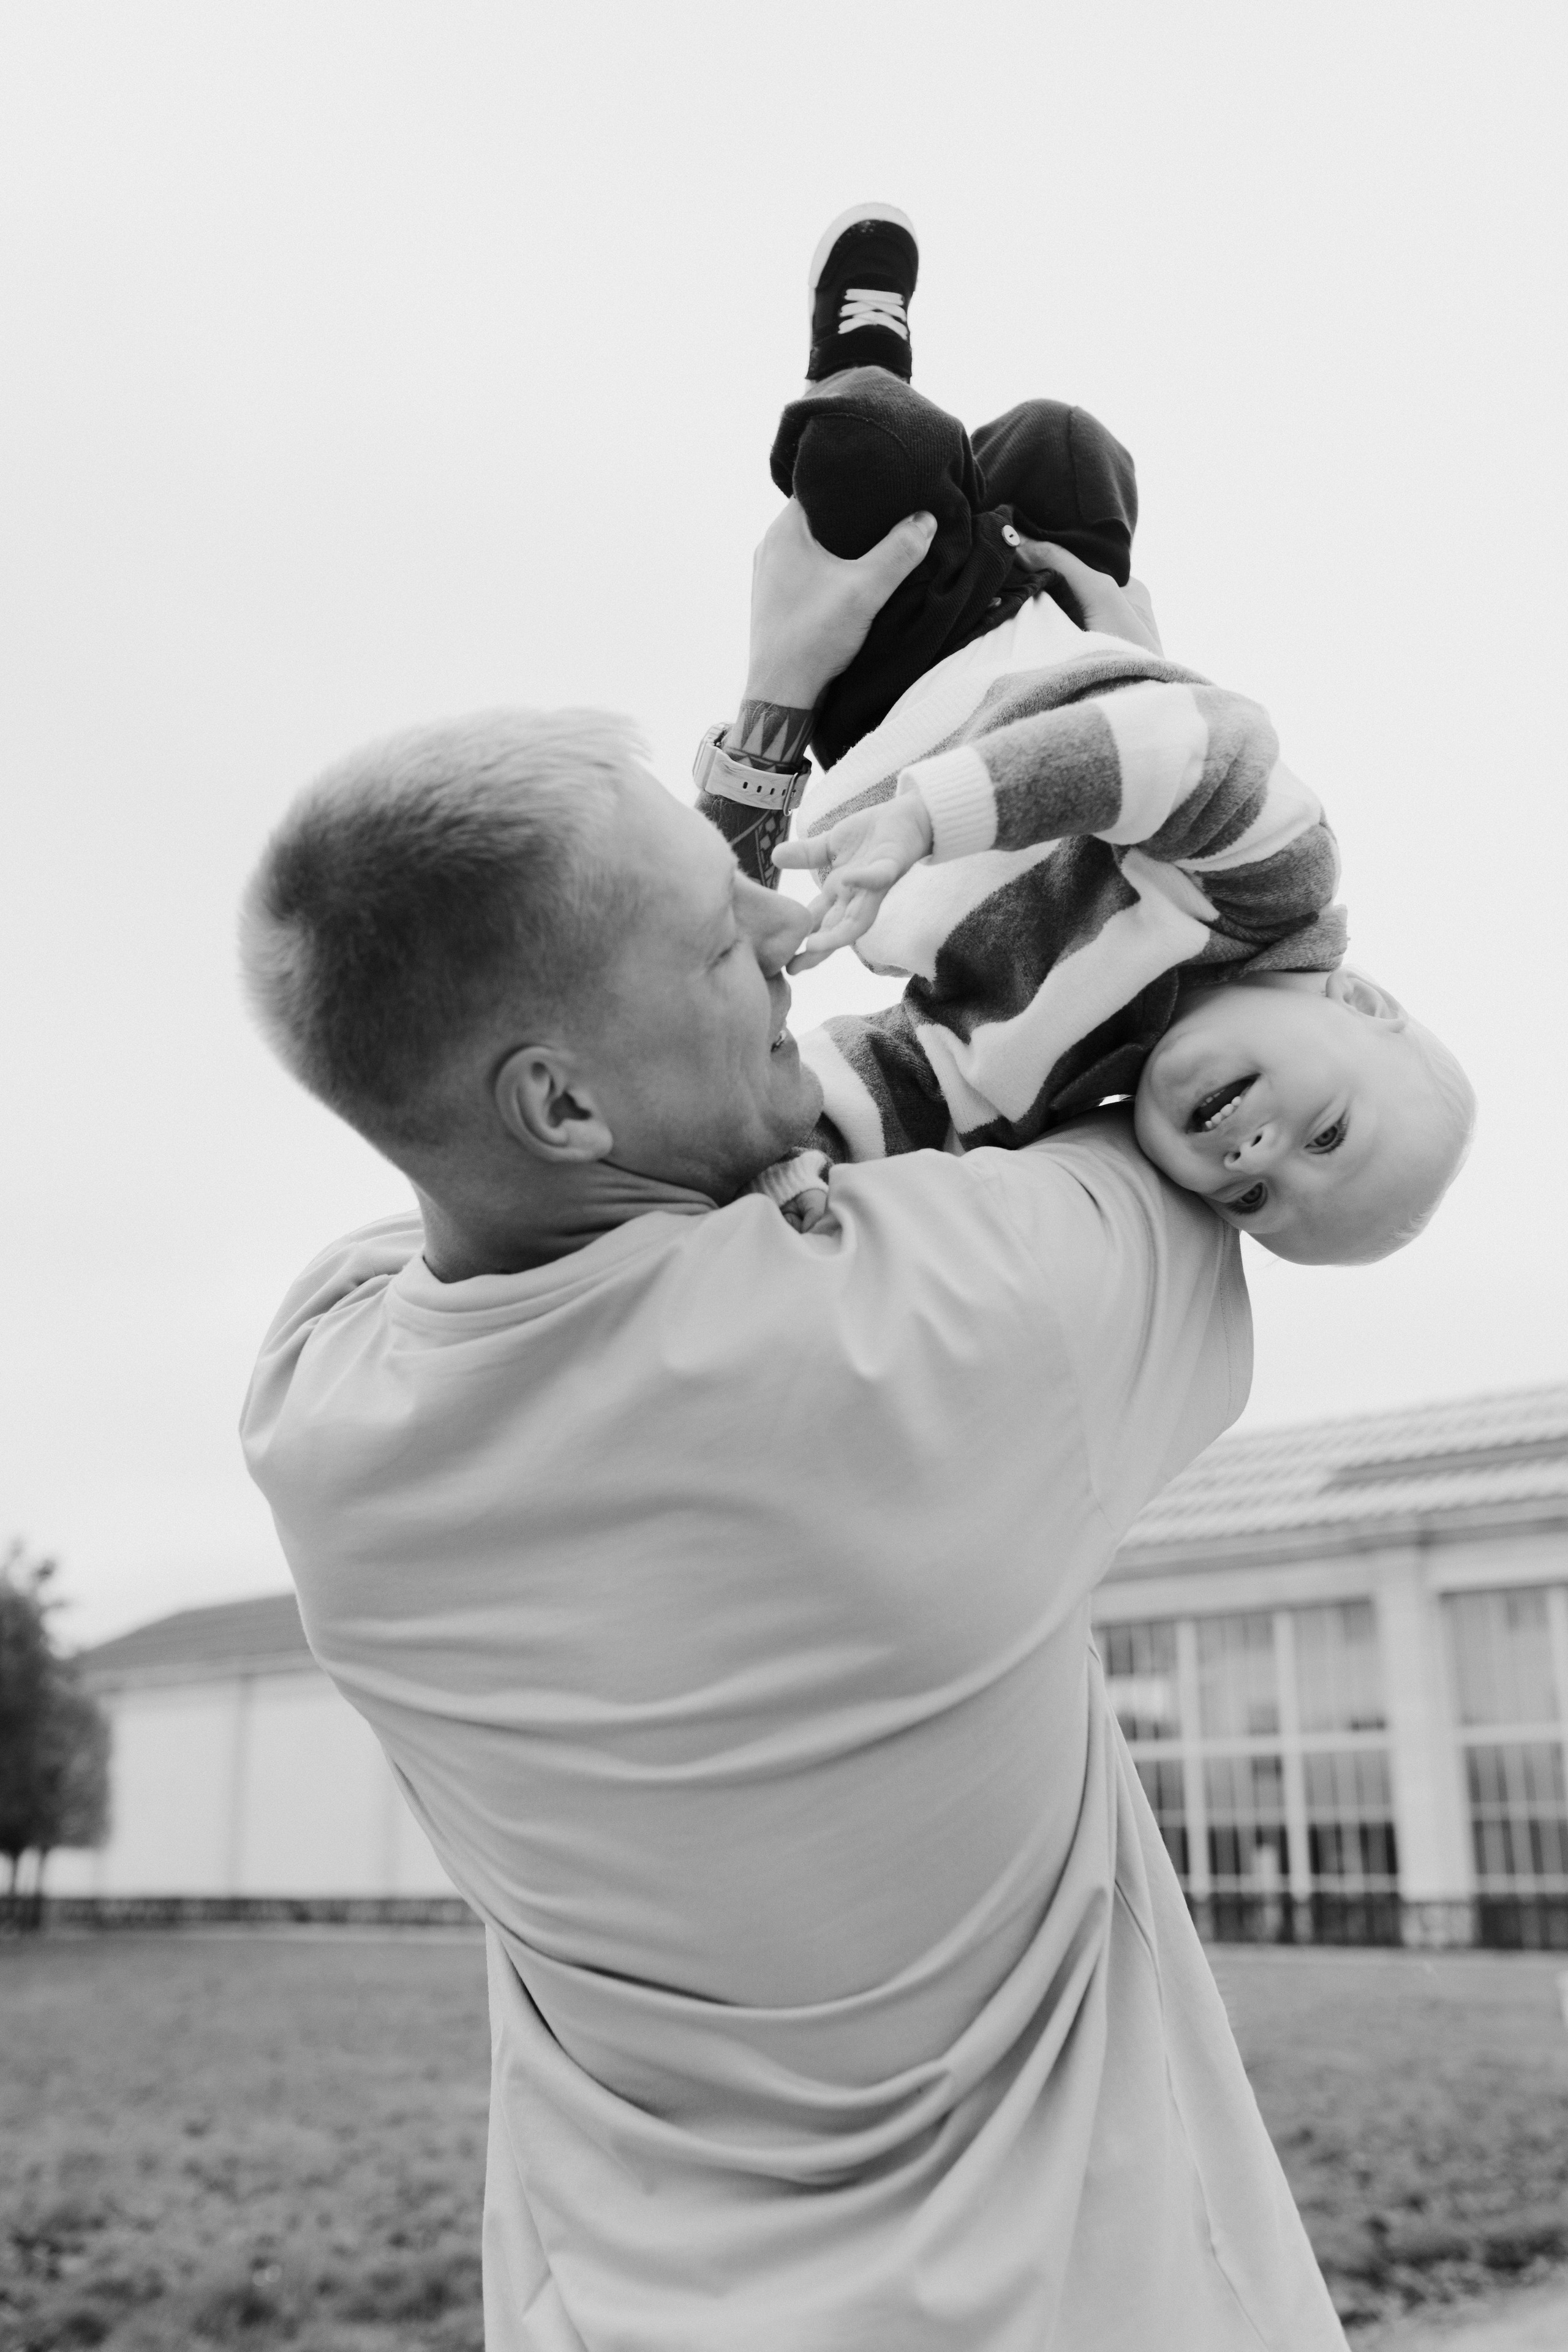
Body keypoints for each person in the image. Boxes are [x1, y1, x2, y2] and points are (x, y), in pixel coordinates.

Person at [239, 502, 1351, 2348]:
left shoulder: (322, 1406)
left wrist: (763, 743)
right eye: (723, 942)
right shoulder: (970, 1327)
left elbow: (527, 1164)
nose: (789, 939)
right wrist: (1122, 716)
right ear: (565, 1102)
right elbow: (1223, 1054)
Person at [696, 207, 1473, 1264]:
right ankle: (997, 530)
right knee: (1072, 442)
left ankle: (864, 360)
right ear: (1361, 1003)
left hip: (889, 704)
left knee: (873, 447)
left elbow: (910, 1084)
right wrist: (936, 818)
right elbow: (1197, 751)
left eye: (1253, 1203)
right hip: (1042, 666)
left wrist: (795, 1155)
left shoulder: (1046, 1082)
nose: (1254, 1153)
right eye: (1325, 1134)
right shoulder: (1277, 889)